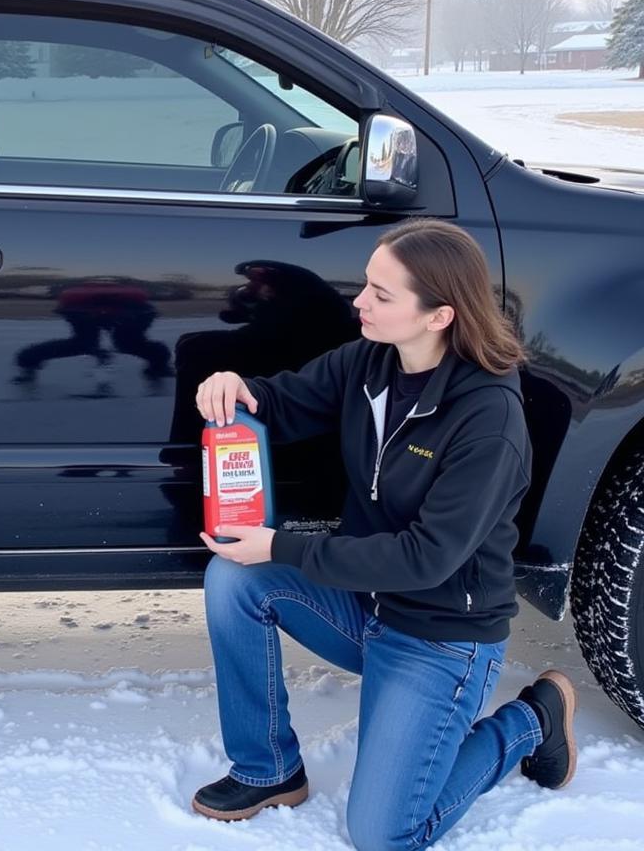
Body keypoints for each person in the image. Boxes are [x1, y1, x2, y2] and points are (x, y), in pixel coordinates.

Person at [191, 219, 576, 851]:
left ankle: (531, 723)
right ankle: (268, 771)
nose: (359, 302)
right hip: (363, 609)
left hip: (439, 638)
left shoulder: (487, 418)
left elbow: (426, 559)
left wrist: (281, 546)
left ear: (439, 316)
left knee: (384, 834)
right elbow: (282, 403)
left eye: (381, 294)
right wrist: (236, 389)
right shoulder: (370, 362)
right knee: (235, 577)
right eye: (367, 285)